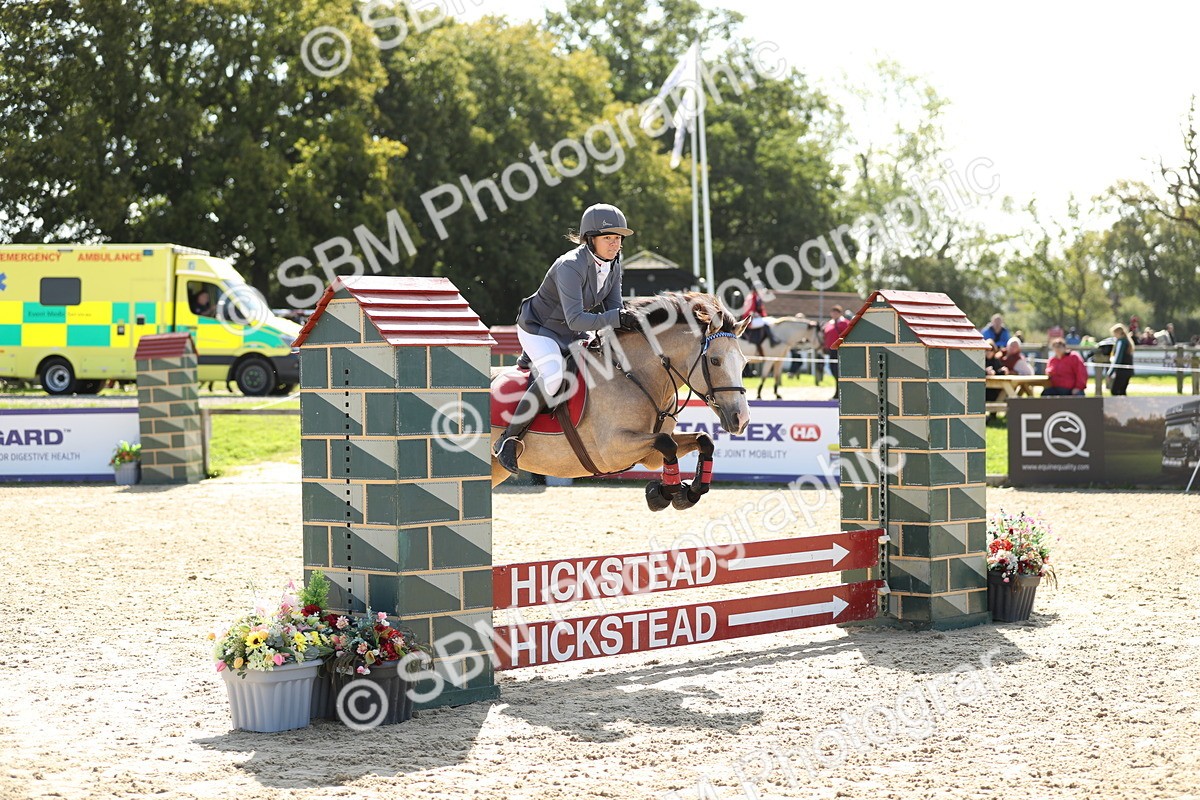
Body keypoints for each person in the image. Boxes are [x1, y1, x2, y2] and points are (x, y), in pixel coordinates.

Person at [493, 203, 639, 475]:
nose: (615, 244)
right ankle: (508, 440)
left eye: (618, 238)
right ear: (590, 239)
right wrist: (618, 318)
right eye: (608, 237)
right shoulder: (570, 266)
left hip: (572, 331)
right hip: (540, 328)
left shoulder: (614, 265)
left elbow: (614, 310)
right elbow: (577, 319)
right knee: (554, 376)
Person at [821, 305, 850, 399]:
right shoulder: (829, 324)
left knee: (839, 372)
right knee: (833, 371)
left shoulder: (844, 323)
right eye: (832, 312)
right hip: (831, 351)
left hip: (841, 350)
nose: (834, 314)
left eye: (836, 312)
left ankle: (840, 393)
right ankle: (837, 392)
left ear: (840, 313)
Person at [740, 284, 780, 349]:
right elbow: (749, 312)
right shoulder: (750, 297)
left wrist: (762, 316)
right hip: (749, 321)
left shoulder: (757, 298)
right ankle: (772, 341)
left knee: (771, 319)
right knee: (767, 321)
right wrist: (756, 314)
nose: (763, 291)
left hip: (755, 319)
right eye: (761, 289)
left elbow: (762, 311)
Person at [1107, 323, 1135, 396]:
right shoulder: (1127, 341)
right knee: (1122, 392)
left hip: (1122, 371)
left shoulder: (1121, 342)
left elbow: (1118, 359)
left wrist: (1110, 372)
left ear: (1117, 333)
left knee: (1115, 391)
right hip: (1127, 371)